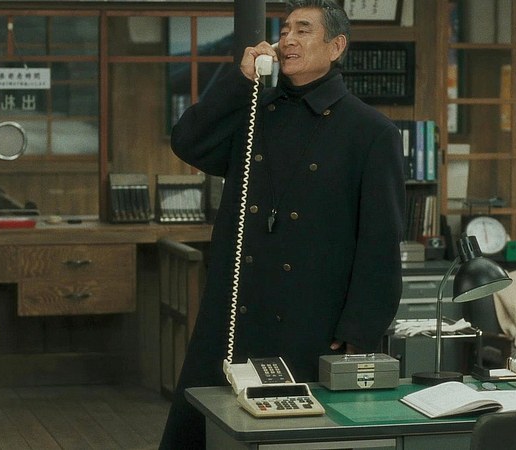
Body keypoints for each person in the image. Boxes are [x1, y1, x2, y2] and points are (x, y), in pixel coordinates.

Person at [158, 1, 405, 448]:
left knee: (294, 438)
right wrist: (242, 82)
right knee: (208, 433)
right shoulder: (254, 110)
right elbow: (187, 142)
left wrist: (361, 329)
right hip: (237, 313)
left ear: (336, 46)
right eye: (284, 30)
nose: (288, 39)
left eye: (303, 30)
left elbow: (381, 241)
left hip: (312, 320)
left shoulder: (371, 131)